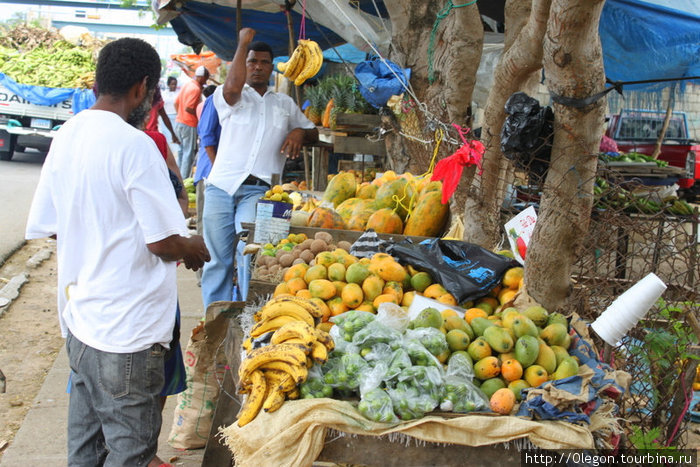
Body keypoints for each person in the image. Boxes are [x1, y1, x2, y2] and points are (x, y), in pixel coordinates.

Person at [25, 37, 210, 467]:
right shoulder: (136, 146)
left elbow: (53, 226)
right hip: (128, 334)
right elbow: (163, 242)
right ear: (143, 87)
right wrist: (194, 247)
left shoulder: (66, 135)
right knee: (130, 455)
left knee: (86, 454)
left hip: (81, 322)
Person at [201, 28, 318, 307]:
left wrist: (299, 133)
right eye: (252, 61)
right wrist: (242, 43)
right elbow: (231, 88)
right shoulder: (228, 96)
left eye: (264, 62)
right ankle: (214, 322)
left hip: (260, 192)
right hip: (221, 186)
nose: (257, 67)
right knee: (217, 258)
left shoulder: (284, 103)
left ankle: (246, 317)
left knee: (251, 252)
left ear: (272, 67)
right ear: (244, 63)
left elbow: (313, 131)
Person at [174, 65, 209, 179]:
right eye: (206, 78)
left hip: (179, 122)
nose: (206, 81)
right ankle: (183, 179)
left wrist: (180, 115)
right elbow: (189, 107)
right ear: (202, 77)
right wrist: (199, 116)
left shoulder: (187, 85)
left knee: (181, 152)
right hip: (189, 124)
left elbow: (176, 102)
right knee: (188, 154)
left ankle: (177, 177)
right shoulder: (195, 89)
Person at [161, 76, 180, 148]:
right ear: (168, 84)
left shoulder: (178, 94)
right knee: (167, 136)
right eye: (172, 84)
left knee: (175, 135)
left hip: (175, 117)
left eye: (175, 84)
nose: (174, 86)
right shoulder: (163, 94)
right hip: (166, 117)